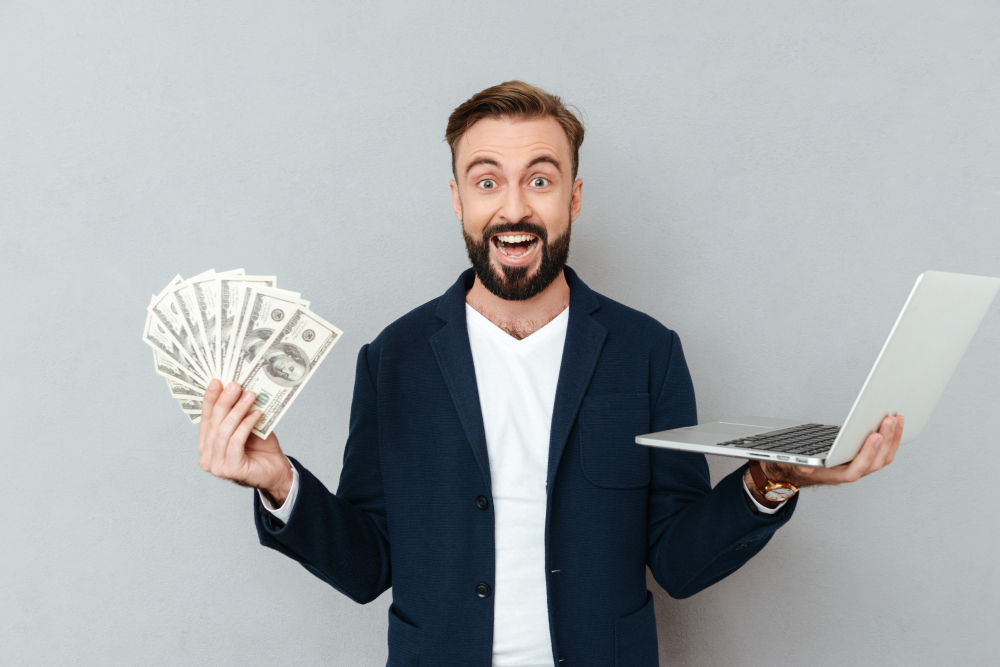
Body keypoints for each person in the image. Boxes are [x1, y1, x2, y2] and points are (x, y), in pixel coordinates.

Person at [195, 81, 904, 667]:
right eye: (487, 181)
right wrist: (281, 482)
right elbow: (366, 566)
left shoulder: (647, 350)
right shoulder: (394, 358)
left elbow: (681, 563)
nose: (513, 207)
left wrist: (769, 480)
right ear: (457, 200)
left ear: (574, 196)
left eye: (540, 178)